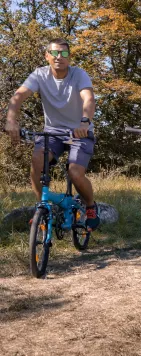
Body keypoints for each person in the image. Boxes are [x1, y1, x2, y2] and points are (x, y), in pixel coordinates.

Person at [4, 38, 100, 230]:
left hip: (79, 132)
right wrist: (11, 120)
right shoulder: (40, 75)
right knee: (37, 162)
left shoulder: (78, 75)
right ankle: (43, 207)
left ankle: (90, 206)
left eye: (64, 53)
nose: (59, 57)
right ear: (47, 56)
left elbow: (88, 98)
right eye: (54, 53)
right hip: (53, 133)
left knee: (75, 172)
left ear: (69, 57)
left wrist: (84, 121)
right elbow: (18, 97)